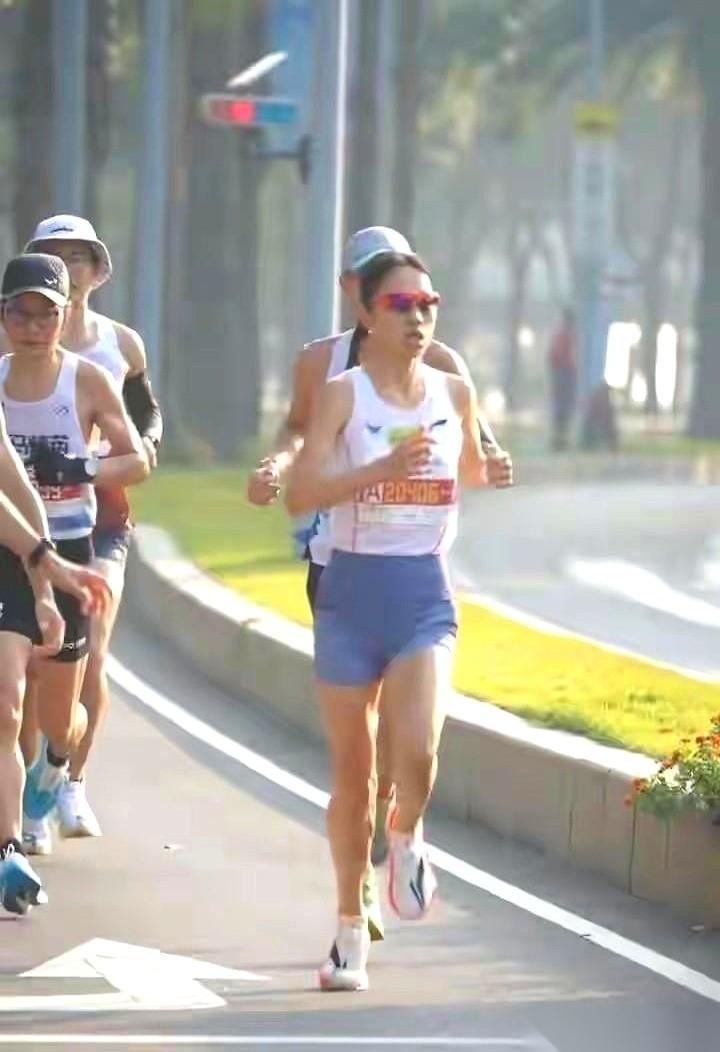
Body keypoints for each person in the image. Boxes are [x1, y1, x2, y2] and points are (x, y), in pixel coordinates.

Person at [247, 228, 512, 937]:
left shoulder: (452, 381)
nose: (417, 316)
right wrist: (296, 469)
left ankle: (405, 832)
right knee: (355, 769)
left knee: (415, 749)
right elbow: (301, 466)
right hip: (344, 583)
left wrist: (491, 465)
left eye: (428, 302)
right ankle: (349, 918)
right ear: (359, 302)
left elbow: (472, 458)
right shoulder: (330, 378)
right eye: (399, 301)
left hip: (423, 590)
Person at [0, 252, 147, 911]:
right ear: (4, 317)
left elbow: (137, 458)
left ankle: (57, 764)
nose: (33, 328)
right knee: (7, 702)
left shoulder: (87, 380)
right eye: (20, 314)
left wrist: (84, 466)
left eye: (46, 315)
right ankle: (8, 847)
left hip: (71, 551)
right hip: (9, 551)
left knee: (61, 715)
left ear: (64, 318)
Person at [20, 215, 163, 850]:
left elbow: (147, 417)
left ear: (97, 271)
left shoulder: (120, 344)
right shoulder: (13, 346)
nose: (67, 268)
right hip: (27, 524)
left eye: (77, 257)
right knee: (30, 666)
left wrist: (130, 453)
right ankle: (28, 792)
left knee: (92, 650)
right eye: (53, 256)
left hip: (99, 518)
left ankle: (68, 779)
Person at [547, 307, 578, 451]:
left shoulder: (560, 334)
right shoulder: (565, 335)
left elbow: (551, 356)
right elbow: (560, 356)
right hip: (564, 374)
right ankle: (559, 440)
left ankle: (559, 439)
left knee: (562, 409)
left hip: (562, 374)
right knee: (563, 409)